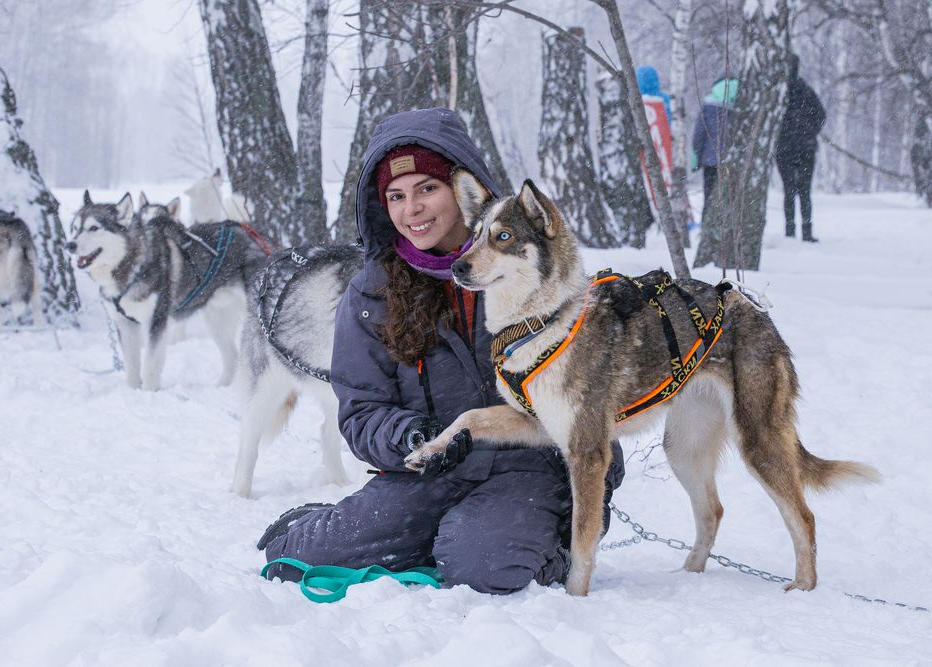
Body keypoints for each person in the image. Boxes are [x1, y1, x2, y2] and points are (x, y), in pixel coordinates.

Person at [259, 107, 625, 595]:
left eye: (427, 188)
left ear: (463, 189)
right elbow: (362, 410)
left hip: (529, 465)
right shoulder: (372, 294)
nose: (413, 209)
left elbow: (589, 386)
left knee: (483, 567)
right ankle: (422, 529)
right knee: (294, 555)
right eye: (396, 196)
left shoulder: (532, 271)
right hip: (430, 469)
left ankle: (539, 542)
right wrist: (414, 437)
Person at [776, 54, 826, 242]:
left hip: (785, 147)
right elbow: (821, 114)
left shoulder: (779, 93)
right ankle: (806, 231)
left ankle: (790, 231)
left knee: (789, 190)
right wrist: (811, 130)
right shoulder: (806, 91)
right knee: (804, 190)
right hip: (806, 147)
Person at [691, 74, 738, 222]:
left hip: (711, 161)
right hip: (733, 162)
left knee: (710, 198)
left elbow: (698, 136)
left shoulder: (708, 107)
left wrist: (696, 160)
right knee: (729, 199)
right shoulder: (742, 106)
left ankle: (707, 230)